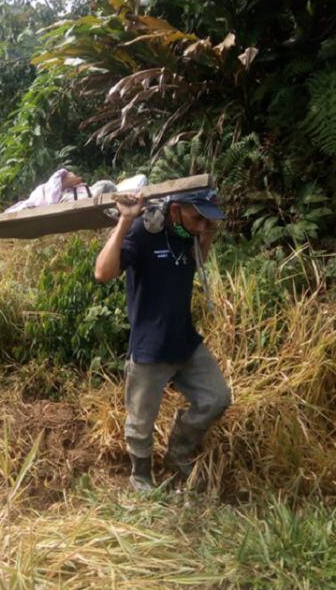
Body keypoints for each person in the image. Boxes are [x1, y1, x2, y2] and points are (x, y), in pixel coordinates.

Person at [94, 189, 231, 490]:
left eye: (207, 222)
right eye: (197, 218)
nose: (201, 226)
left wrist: (205, 233)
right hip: (150, 347)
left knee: (217, 398)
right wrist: (124, 223)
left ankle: (178, 453)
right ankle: (140, 475)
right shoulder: (144, 231)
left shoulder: (188, 233)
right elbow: (102, 272)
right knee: (141, 422)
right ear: (175, 209)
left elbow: (195, 262)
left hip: (185, 341)